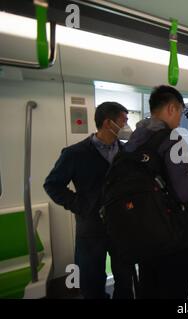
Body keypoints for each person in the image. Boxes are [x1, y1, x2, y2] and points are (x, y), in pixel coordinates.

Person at [44, 102, 135, 299]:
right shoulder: (75, 154)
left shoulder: (127, 152)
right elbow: (52, 185)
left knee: (125, 276)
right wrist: (81, 205)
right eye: (124, 121)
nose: (127, 125)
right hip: (91, 228)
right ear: (108, 123)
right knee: (92, 281)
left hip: (122, 226)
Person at [124, 85, 188, 298]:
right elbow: (184, 192)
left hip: (143, 231)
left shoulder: (133, 141)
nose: (180, 120)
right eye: (181, 113)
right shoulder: (173, 140)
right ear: (172, 109)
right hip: (172, 236)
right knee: (175, 288)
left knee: (149, 288)